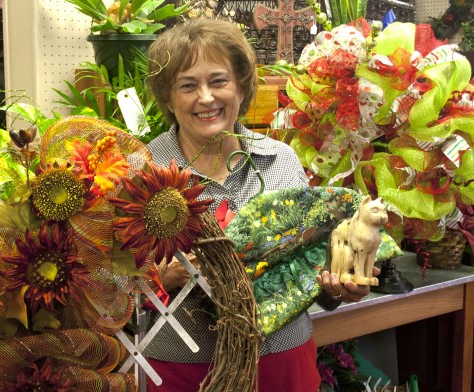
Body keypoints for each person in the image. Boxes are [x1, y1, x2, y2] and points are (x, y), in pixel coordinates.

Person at [145, 18, 373, 392]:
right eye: (188, 85)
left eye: (218, 81)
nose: (206, 98)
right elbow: (110, 285)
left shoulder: (280, 160)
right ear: (169, 98)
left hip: (281, 363)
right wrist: (162, 278)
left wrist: (338, 286)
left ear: (241, 86)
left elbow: (312, 267)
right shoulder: (144, 171)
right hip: (183, 369)